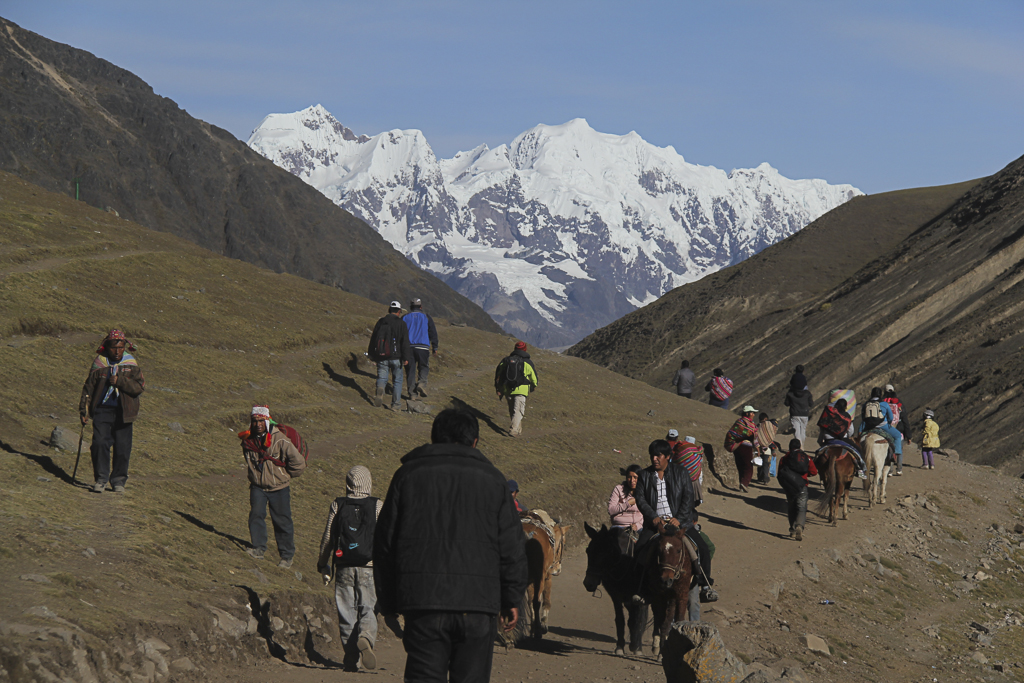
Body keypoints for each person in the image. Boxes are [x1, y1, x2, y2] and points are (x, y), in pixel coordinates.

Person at [374, 409, 528, 682]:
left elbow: (386, 543)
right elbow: (512, 547)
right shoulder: (494, 481)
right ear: (475, 442)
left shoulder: (407, 476)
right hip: (479, 607)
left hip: (424, 604)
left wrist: (388, 601)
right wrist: (512, 599)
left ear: (434, 439)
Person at [317, 466, 382, 671]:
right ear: (368, 482)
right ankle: (366, 637)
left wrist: (322, 563)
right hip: (370, 567)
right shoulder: (377, 505)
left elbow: (328, 537)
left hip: (343, 565)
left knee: (347, 611)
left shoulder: (338, 504)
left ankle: (351, 658)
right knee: (368, 608)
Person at [634, 440, 716, 602]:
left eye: (658, 455)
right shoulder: (644, 475)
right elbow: (640, 499)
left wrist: (678, 518)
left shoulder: (681, 473)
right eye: (652, 455)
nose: (654, 459)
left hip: (679, 523)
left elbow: (688, 497)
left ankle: (705, 585)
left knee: (703, 549)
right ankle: (639, 588)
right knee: (639, 550)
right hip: (655, 524)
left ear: (668, 457)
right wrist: (653, 517)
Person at [79, 329, 146, 493]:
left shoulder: (131, 366)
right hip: (102, 410)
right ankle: (101, 479)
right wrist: (84, 410)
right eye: (114, 347)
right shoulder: (99, 364)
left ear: (125, 347)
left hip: (125, 411)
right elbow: (88, 389)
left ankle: (118, 481)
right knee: (99, 444)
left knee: (123, 448)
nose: (117, 351)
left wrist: (120, 381)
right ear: (106, 347)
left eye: (121, 347)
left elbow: (139, 387)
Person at [239, 405, 306, 568]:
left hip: (279, 488)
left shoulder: (281, 439)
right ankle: (258, 548)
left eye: (261, 421)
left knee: (282, 521)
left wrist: (284, 476)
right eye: (255, 421)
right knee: (256, 515)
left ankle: (286, 556)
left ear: (267, 421)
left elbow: (299, 463)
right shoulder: (248, 440)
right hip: (258, 487)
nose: (258, 424)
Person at [368, 301, 412, 411]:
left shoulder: (381, 322)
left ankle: (380, 388)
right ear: (399, 311)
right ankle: (395, 405)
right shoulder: (401, 324)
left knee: (382, 377)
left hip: (382, 356)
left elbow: (374, 339)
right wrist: (406, 357)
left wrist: (372, 355)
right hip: (397, 357)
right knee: (397, 381)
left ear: (389, 310)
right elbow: (405, 342)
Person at [494, 341, 539, 437]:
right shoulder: (527, 362)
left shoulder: (506, 360)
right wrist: (534, 385)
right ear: (525, 349)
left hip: (507, 389)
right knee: (518, 411)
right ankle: (513, 430)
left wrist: (498, 388)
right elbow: (534, 378)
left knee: (513, 411)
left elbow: (498, 373)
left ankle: (518, 430)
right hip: (521, 390)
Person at [776, 439, 818, 541]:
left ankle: (792, 529)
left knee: (791, 508)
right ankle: (799, 526)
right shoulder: (806, 458)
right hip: (802, 486)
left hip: (789, 487)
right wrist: (805, 475)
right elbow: (814, 471)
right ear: (800, 447)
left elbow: (780, 472)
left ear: (790, 447)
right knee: (802, 508)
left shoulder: (785, 458)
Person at [816, 398, 867, 478]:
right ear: (845, 407)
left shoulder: (829, 413)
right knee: (858, 450)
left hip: (828, 440)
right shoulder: (846, 416)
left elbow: (823, 427)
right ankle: (860, 470)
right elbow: (851, 431)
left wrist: (821, 440)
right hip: (842, 439)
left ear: (836, 405)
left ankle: (816, 468)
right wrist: (847, 436)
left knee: (818, 455)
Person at [861, 388, 903, 475]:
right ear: (880, 395)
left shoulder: (866, 404)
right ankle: (896, 453)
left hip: (868, 426)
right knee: (898, 435)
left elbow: (863, 416)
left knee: (859, 438)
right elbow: (890, 418)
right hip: (882, 426)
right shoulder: (884, 404)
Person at [404, 298, 438, 398]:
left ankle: (412, 394)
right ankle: (422, 383)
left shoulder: (405, 317)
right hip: (423, 347)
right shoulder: (426, 317)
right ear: (421, 307)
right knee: (423, 367)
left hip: (409, 347)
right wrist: (435, 347)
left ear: (411, 307)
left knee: (410, 370)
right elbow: (433, 332)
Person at [724, 406, 759, 492]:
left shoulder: (739, 422)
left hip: (736, 447)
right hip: (745, 447)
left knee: (740, 465)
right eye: (752, 413)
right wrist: (757, 448)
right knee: (748, 467)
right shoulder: (751, 425)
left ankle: (742, 484)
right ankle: (744, 483)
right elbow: (754, 437)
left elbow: (732, 434)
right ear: (747, 413)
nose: (753, 415)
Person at [883, 384, 912, 473]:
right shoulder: (899, 403)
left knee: (888, 450)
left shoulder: (883, 402)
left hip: (886, 429)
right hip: (899, 430)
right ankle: (899, 469)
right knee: (899, 450)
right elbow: (904, 419)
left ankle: (890, 470)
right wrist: (909, 435)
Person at [608, 464, 643, 532]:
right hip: (619, 527)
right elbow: (611, 510)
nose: (632, 480)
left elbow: (645, 514)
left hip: (637, 528)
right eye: (629, 477)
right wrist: (627, 504)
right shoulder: (619, 489)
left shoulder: (643, 492)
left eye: (635, 477)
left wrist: (637, 526)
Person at [673, 436, 705, 508]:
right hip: (693, 481)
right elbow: (699, 463)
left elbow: (674, 461)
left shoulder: (678, 448)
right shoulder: (697, 451)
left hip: (679, 480)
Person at [755, 413, 780, 485]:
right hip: (766, 451)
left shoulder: (758, 427)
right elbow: (770, 441)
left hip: (759, 450)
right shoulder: (769, 428)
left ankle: (761, 478)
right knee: (765, 464)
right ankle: (765, 478)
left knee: (760, 464)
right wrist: (773, 451)